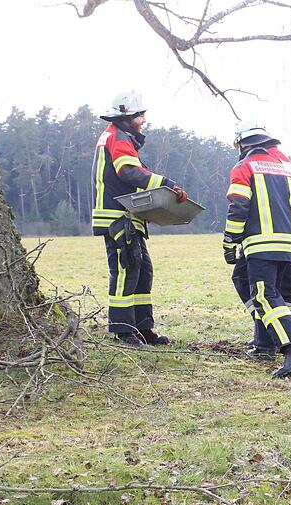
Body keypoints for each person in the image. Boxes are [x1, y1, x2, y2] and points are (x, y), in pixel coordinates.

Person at [91, 90, 186, 346]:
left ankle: (143, 328)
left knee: (142, 272)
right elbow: (129, 172)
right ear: (128, 116)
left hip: (128, 216)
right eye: (140, 115)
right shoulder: (119, 137)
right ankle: (123, 331)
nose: (144, 120)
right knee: (126, 270)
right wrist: (165, 184)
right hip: (116, 216)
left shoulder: (119, 135)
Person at [222, 122, 291, 378]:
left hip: (260, 244)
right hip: (288, 244)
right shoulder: (289, 169)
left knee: (264, 295)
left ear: (244, 144)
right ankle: (264, 343)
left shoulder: (244, 167)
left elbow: (238, 207)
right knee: (262, 286)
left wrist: (230, 242)